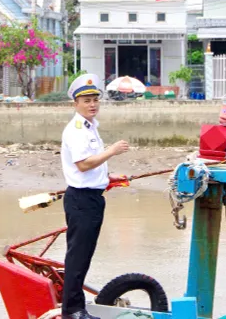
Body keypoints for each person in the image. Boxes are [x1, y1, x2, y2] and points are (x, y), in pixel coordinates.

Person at [60, 73, 130, 319]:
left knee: (83, 255)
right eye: (86, 100)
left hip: (91, 197)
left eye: (95, 99)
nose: (92, 104)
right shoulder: (77, 129)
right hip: (82, 200)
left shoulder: (90, 127)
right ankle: (73, 310)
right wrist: (111, 151)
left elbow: (91, 165)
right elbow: (83, 164)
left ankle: (74, 305)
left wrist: (108, 177)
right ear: (75, 104)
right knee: (78, 257)